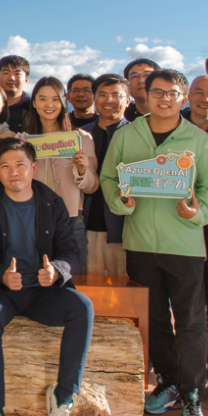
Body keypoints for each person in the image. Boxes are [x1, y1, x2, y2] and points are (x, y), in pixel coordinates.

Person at [100, 69, 208, 416]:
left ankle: (192, 395)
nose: (164, 99)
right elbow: (109, 178)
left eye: (172, 93)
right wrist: (120, 202)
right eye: (157, 92)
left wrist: (196, 212)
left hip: (184, 245)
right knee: (153, 320)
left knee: (191, 322)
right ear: (146, 95)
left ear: (183, 99)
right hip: (139, 244)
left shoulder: (198, 140)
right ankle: (168, 382)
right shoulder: (127, 135)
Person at [0, 138, 94, 416]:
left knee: (82, 307)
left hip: (43, 291)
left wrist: (56, 271)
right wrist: (1, 274)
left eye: (20, 165)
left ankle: (62, 402)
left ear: (34, 168)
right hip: (3, 292)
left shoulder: (52, 203)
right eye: (5, 166)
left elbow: (71, 252)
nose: (13, 172)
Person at [21, 77, 99, 275]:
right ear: (34, 103)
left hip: (71, 222)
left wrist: (82, 171)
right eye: (43, 99)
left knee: (73, 282)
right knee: (35, 281)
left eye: (55, 99)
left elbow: (92, 186)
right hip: (32, 221)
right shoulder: (23, 142)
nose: (49, 105)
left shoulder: (81, 138)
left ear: (64, 102)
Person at [182, 73, 208, 397]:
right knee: (188, 309)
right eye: (199, 92)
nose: (205, 99)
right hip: (181, 229)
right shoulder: (174, 127)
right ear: (187, 96)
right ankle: (183, 376)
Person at [81, 74, 130, 277]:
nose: (109, 100)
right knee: (88, 290)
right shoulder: (80, 135)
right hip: (87, 229)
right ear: (94, 99)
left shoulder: (138, 136)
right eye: (102, 94)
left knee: (125, 291)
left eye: (116, 95)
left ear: (128, 101)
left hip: (125, 230)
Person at [0, 55, 31, 131]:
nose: (11, 78)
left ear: (26, 80)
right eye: (6, 73)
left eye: (17, 73)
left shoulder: (34, 109)